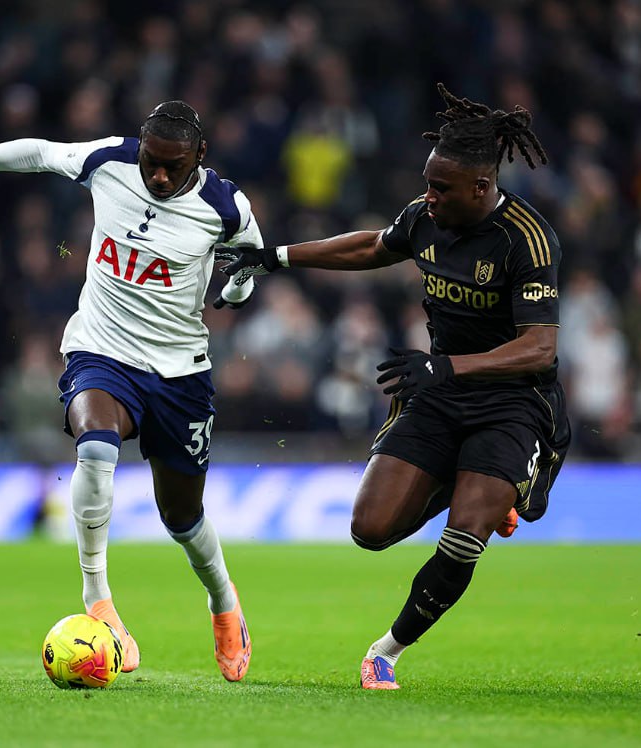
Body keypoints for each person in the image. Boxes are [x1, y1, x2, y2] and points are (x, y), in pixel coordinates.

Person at [219, 84, 570, 690]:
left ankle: (386, 651)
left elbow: (540, 346)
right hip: (440, 391)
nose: (428, 197)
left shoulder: (527, 240)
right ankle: (477, 486)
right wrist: (275, 257)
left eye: (441, 188)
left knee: (464, 535)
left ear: (481, 187)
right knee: (370, 529)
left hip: (513, 401)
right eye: (427, 184)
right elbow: (373, 247)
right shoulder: (425, 216)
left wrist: (448, 367)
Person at [0, 100, 258, 682]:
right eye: (151, 162)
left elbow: (248, 270)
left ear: (200, 156)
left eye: (173, 166)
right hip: (101, 350)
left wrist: (236, 288)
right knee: (95, 445)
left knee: (182, 517)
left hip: (179, 373)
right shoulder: (109, 161)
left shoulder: (227, 207)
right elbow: (37, 152)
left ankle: (222, 600)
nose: (159, 176)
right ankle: (99, 601)